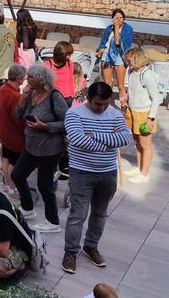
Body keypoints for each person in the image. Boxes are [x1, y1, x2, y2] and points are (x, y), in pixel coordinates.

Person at [61, 82, 132, 274]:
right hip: (81, 173)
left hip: (108, 173)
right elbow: (77, 139)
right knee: (78, 215)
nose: (101, 108)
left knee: (100, 213)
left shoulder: (115, 114)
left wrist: (93, 135)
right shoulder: (74, 113)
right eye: (97, 104)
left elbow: (125, 138)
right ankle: (70, 252)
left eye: (105, 104)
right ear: (89, 99)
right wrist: (109, 141)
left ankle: (91, 246)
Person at [12, 63, 67, 233]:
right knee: (17, 174)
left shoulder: (54, 96)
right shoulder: (32, 93)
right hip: (31, 146)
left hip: (49, 149)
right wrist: (23, 97)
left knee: (45, 186)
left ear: (41, 79)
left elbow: (67, 122)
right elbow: (18, 115)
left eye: (30, 77)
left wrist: (45, 126)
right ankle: (27, 209)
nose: (26, 80)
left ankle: (53, 222)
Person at [122, 47, 160, 184]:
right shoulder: (131, 71)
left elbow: (156, 98)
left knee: (146, 144)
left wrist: (151, 118)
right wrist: (126, 98)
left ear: (137, 59)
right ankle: (138, 168)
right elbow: (131, 89)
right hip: (132, 110)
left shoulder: (147, 74)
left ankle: (145, 174)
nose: (128, 62)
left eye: (130, 60)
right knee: (137, 142)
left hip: (144, 113)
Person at [0, 64, 26, 198]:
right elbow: (18, 119)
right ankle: (10, 187)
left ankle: (7, 185)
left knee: (6, 158)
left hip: (4, 129)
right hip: (14, 134)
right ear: (19, 78)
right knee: (13, 163)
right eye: (24, 77)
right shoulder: (15, 96)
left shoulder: (2, 88)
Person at [95, 9, 133, 103]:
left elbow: (117, 42)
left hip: (120, 56)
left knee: (120, 85)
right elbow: (104, 42)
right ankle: (106, 104)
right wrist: (101, 49)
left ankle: (123, 106)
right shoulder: (109, 28)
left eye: (121, 18)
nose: (119, 20)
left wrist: (116, 28)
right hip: (107, 56)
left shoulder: (128, 29)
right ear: (112, 18)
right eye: (116, 18)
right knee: (107, 84)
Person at [44, 41, 75, 108]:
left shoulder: (70, 64)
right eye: (68, 55)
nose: (69, 57)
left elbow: (71, 79)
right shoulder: (47, 64)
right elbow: (44, 82)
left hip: (67, 98)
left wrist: (72, 95)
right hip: (52, 97)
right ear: (61, 54)